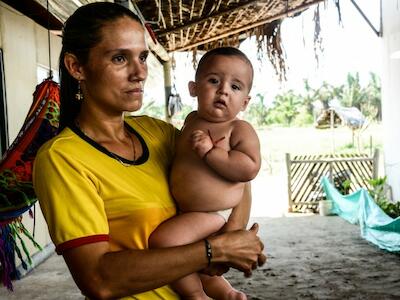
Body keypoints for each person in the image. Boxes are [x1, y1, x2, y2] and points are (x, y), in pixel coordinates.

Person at [32, 2, 266, 300]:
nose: (140, 72)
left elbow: (234, 175)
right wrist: (213, 250)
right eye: (120, 58)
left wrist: (233, 233)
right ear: (77, 67)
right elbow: (99, 279)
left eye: (142, 57)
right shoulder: (63, 158)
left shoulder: (158, 133)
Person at [149, 47, 261, 300]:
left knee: (164, 243)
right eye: (213, 81)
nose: (223, 90)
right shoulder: (191, 120)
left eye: (235, 86)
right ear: (193, 88)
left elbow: (249, 167)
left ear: (245, 101)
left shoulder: (238, 129)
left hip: (212, 213)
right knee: (195, 262)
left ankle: (195, 295)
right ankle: (228, 294)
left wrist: (212, 154)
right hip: (190, 211)